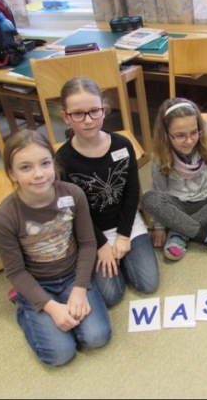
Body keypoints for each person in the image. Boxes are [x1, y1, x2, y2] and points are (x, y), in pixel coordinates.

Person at [0, 129, 111, 367]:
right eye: (25, 167)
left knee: (96, 337)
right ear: (11, 173)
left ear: (53, 163)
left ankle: (57, 307)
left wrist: (79, 288)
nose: (38, 174)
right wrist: (51, 307)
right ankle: (24, 308)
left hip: (72, 275)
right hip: (37, 283)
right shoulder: (5, 217)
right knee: (60, 354)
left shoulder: (73, 194)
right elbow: (15, 272)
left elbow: (88, 243)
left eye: (45, 163)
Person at [55, 76, 159, 307]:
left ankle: (123, 256)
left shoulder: (122, 145)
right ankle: (112, 259)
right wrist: (101, 245)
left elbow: (132, 192)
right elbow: (74, 212)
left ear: (104, 109)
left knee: (149, 284)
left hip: (126, 223)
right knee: (111, 296)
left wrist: (123, 235)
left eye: (94, 111)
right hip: (91, 233)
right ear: (66, 117)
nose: (88, 120)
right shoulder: (62, 160)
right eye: (78, 114)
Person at [142, 98, 207, 270]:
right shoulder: (160, 157)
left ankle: (180, 231)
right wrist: (159, 227)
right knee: (149, 198)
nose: (189, 141)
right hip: (178, 206)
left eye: (194, 132)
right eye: (180, 135)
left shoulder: (205, 136)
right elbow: (159, 190)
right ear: (166, 134)